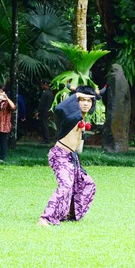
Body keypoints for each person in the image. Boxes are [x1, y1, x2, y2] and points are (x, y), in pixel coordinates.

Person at [36, 85, 98, 227]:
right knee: (65, 186)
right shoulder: (71, 117)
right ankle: (44, 218)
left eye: (89, 101)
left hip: (72, 158)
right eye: (82, 100)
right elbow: (59, 109)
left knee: (88, 183)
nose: (85, 103)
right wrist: (75, 94)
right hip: (60, 155)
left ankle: (68, 213)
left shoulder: (82, 119)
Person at [38, 80, 54, 144]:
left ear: (45, 85)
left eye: (42, 85)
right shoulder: (51, 92)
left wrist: (38, 111)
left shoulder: (45, 93)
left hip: (44, 110)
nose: (41, 86)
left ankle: (46, 139)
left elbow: (41, 103)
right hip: (49, 110)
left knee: (44, 124)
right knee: (45, 124)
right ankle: (46, 138)